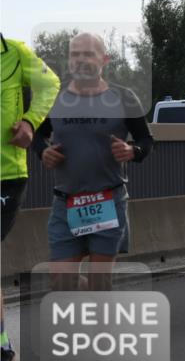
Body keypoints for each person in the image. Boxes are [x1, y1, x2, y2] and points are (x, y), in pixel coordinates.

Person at [33, 33, 154, 291]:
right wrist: (43, 151)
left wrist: (133, 151)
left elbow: (145, 140)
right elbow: (36, 134)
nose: (81, 60)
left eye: (88, 54)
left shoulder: (123, 97)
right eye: (75, 54)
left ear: (104, 59)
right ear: (69, 60)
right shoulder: (55, 97)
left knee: (100, 284)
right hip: (66, 202)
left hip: (107, 200)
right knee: (61, 280)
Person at [0, 34, 59, 361]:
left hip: (6, 173)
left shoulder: (15, 52)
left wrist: (31, 121)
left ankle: (3, 355)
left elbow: (50, 82)